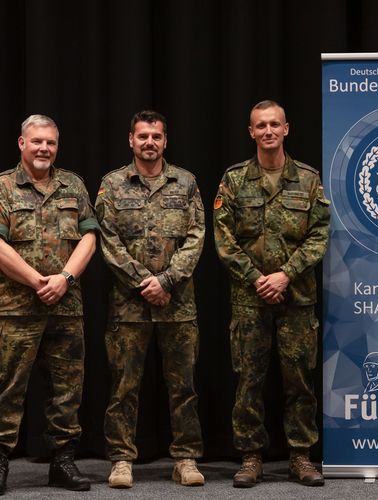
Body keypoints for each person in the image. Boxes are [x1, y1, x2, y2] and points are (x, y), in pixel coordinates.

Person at [214, 100, 330, 488]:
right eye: (260, 125)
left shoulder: (309, 180)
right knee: (249, 380)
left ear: (286, 129)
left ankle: (300, 456)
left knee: (299, 380)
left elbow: (319, 235)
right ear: (251, 132)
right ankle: (250, 457)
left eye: (274, 124)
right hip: (249, 300)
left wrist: (285, 275)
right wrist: (257, 279)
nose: (267, 131)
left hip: (297, 299)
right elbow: (224, 238)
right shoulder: (233, 180)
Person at [96, 111, 205, 488]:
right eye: (142, 136)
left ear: (165, 141)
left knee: (183, 387)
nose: (149, 142)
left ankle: (186, 458)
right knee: (123, 387)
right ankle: (122, 459)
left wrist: (168, 281)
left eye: (156, 136)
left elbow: (196, 237)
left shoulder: (186, 182)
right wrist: (146, 282)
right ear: (131, 140)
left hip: (178, 305)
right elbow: (107, 243)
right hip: (129, 306)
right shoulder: (111, 185)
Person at [0, 114, 98, 494]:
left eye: (51, 143)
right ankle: (2, 458)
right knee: (8, 386)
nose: (44, 149)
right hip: (16, 308)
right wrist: (36, 280)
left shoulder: (73, 184)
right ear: (22, 144)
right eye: (37, 141)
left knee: (67, 388)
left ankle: (62, 461)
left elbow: (90, 237)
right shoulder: (5, 187)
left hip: (65, 306)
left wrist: (65, 279)